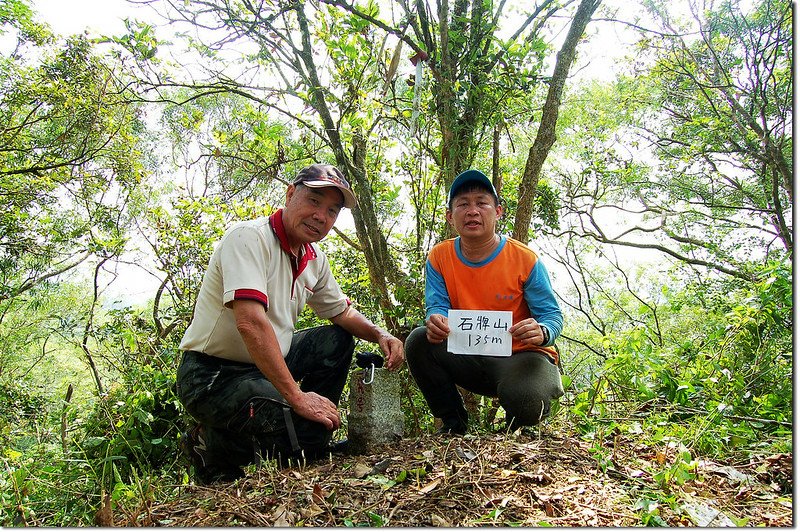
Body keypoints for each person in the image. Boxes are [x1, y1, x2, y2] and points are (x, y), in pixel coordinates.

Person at [176, 163, 404, 483]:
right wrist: (298, 398)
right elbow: (251, 323)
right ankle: (212, 447)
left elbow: (341, 312)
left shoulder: (313, 258)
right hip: (212, 375)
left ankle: (308, 442)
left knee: (335, 341)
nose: (321, 216)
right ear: (290, 194)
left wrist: (380, 334)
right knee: (305, 426)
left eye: (332, 210)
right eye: (314, 201)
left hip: (265, 364)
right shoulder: (248, 239)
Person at [405, 169, 564, 435]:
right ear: (450, 216)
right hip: (470, 355)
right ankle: (453, 424)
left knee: (528, 401)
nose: (472, 211)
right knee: (419, 341)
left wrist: (543, 331)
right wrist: (436, 320)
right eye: (463, 204)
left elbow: (552, 315)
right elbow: (437, 305)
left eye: (482, 203)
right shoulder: (439, 257)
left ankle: (516, 425)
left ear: (498, 211)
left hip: (521, 356)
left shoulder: (525, 259)